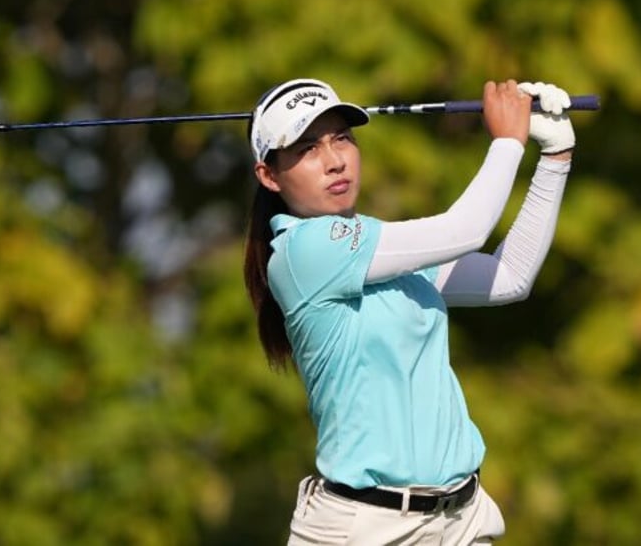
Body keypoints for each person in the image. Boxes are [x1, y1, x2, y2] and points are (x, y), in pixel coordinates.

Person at [243, 77, 575, 545]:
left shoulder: (379, 247)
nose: (335, 160)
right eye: (307, 147)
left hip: (461, 522)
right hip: (365, 530)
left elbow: (509, 276)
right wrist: (506, 142)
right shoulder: (303, 252)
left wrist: (554, 159)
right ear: (269, 175)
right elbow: (467, 228)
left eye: (342, 138)